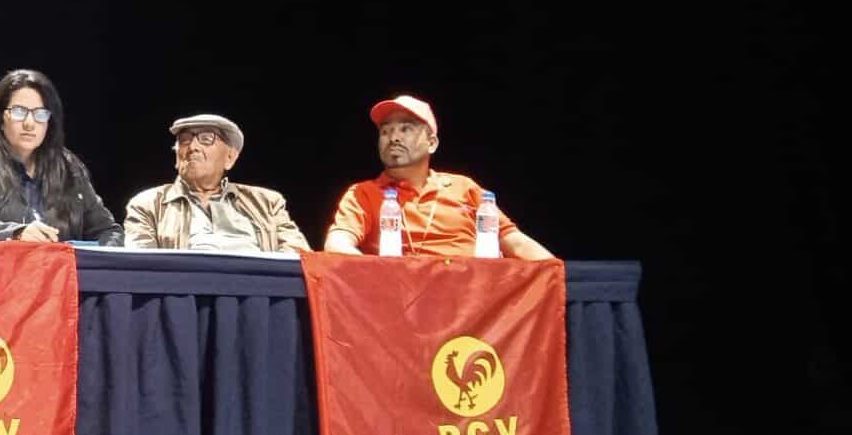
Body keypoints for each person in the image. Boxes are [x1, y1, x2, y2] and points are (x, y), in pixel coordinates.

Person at [324, 95, 554, 258]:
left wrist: (563, 278)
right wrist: (382, 275)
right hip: (399, 302)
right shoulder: (363, 193)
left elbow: (515, 242)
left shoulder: (464, 187)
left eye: (405, 129)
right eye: (385, 131)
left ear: (432, 143)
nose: (393, 137)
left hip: (471, 304)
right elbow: (337, 245)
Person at [0, 70, 121, 245]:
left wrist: (106, 252)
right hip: (6, 269)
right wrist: (18, 233)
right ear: (0, 119)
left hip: (67, 269)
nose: (29, 123)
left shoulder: (69, 167)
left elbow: (108, 231)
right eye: (18, 112)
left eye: (40, 114)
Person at [123, 113, 309, 253]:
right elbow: (143, 268)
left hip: (258, 295)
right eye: (185, 140)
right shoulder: (147, 205)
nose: (193, 147)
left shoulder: (267, 202)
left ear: (230, 157)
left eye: (206, 139)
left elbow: (298, 257)